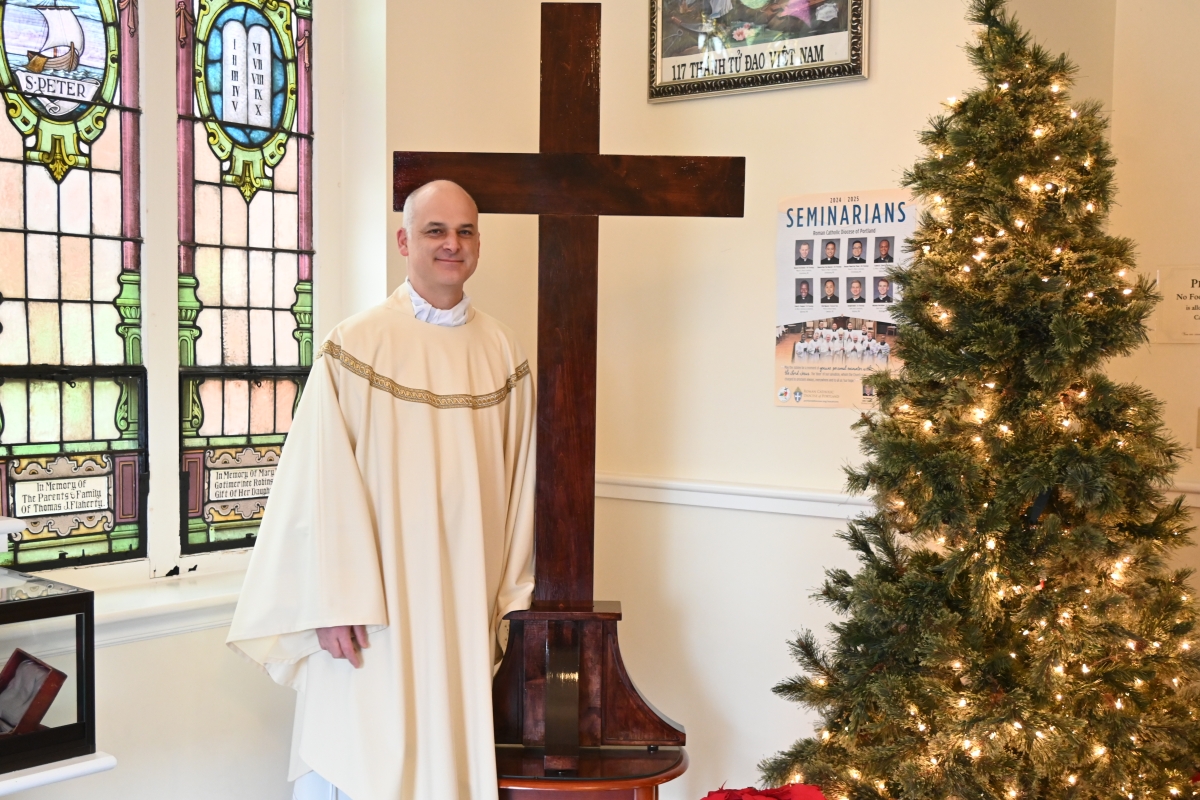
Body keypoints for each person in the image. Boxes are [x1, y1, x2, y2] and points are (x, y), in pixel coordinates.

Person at [227, 180, 536, 800]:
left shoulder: (501, 351)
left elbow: (520, 480)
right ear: (404, 240)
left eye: (466, 231)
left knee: (445, 750)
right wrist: (331, 600)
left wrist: (510, 598)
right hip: (373, 609)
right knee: (362, 753)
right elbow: (317, 481)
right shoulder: (357, 343)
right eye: (435, 231)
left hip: (461, 601)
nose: (453, 244)